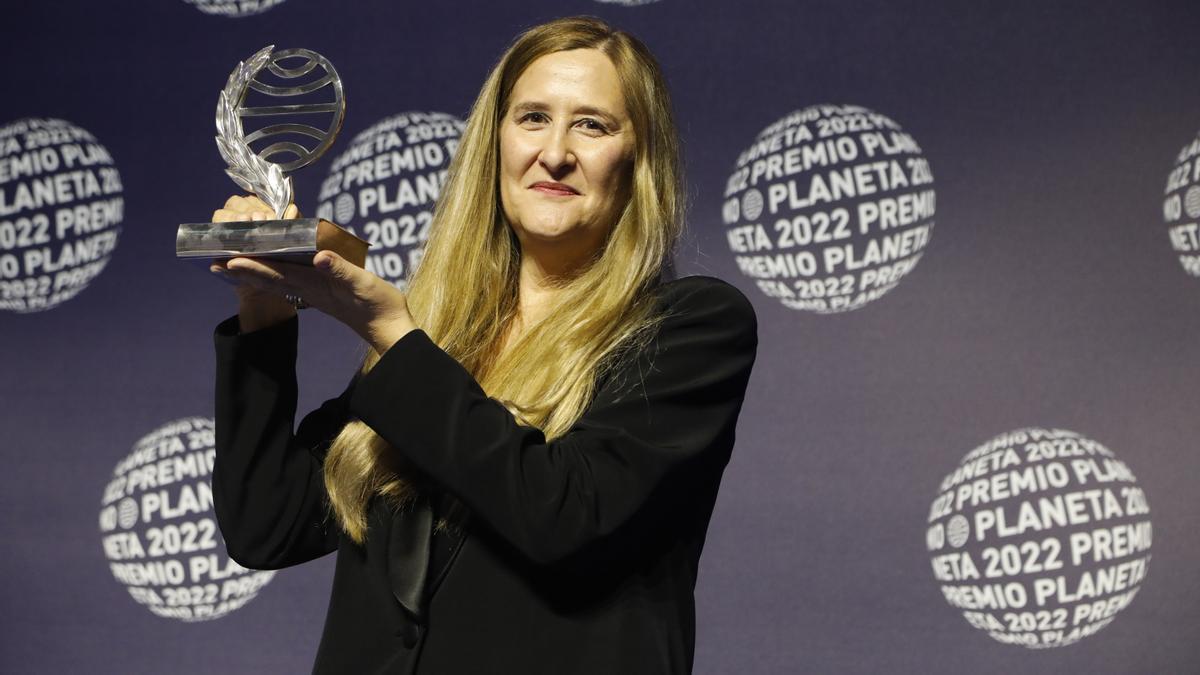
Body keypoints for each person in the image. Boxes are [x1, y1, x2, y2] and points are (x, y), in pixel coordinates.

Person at [210, 16, 757, 675]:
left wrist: (391, 334)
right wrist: (264, 310)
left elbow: (564, 519)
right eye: (533, 118)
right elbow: (266, 526)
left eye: (592, 125)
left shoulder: (690, 327)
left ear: (639, 160)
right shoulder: (441, 338)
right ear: (494, 142)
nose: (555, 152)